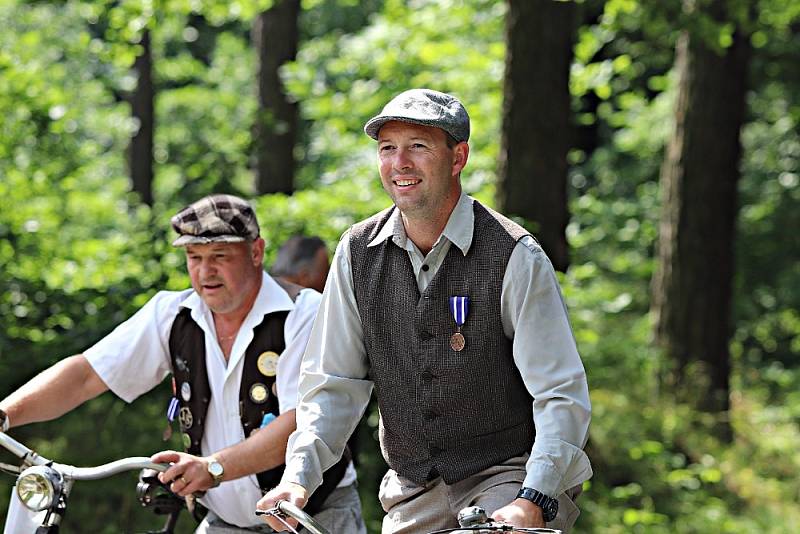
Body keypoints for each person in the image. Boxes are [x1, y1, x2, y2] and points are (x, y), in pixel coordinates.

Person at [257, 89, 592, 533]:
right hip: (412, 488)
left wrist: (534, 498)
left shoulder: (514, 255)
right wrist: (298, 478)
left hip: (508, 475)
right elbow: (332, 385)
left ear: (458, 157)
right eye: (387, 149)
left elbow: (560, 395)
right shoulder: (356, 252)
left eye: (418, 146)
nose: (400, 163)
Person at [0, 194, 365, 534]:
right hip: (222, 520)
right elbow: (85, 375)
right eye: (194, 257)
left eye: (220, 256)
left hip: (312, 517)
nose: (206, 272)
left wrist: (213, 467)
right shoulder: (172, 314)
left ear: (256, 252)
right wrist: (5, 415)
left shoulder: (303, 314)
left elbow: (299, 423)